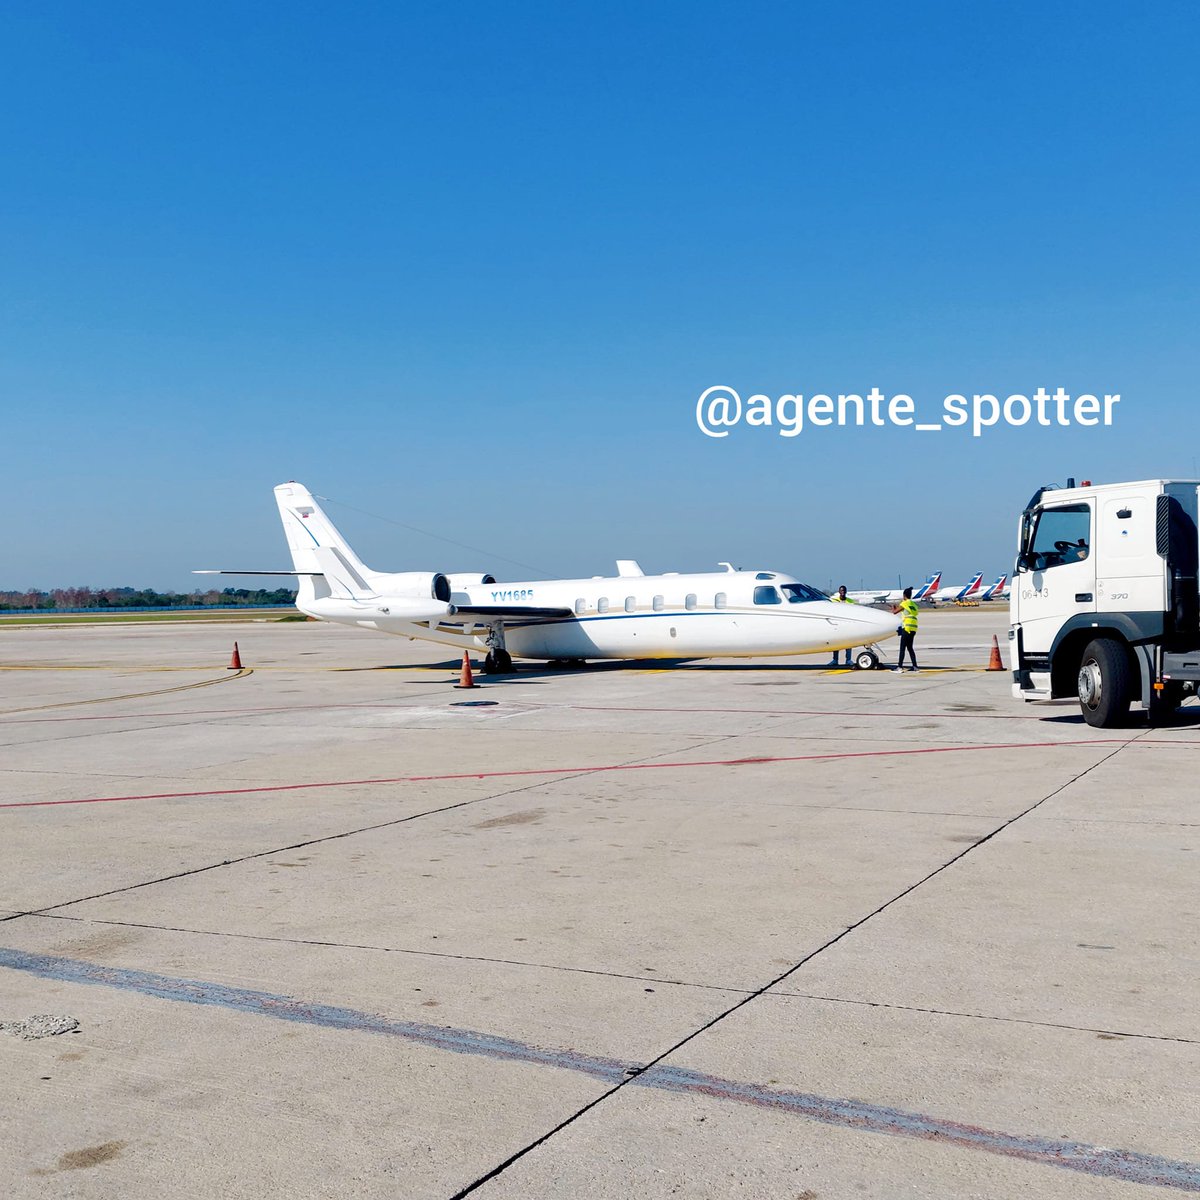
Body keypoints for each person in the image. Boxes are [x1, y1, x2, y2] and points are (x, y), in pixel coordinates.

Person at [892, 586, 920, 672]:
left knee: (902, 648)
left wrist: (893, 607)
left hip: (906, 628)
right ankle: (915, 666)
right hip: (913, 628)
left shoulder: (904, 603)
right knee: (910, 648)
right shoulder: (914, 604)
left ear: (904, 595)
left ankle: (899, 667)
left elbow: (894, 612)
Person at [828, 584, 856, 666]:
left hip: (847, 625)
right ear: (839, 592)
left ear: (846, 592)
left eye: (844, 590)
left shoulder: (850, 601)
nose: (843, 592)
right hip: (837, 625)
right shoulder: (834, 601)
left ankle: (848, 660)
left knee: (848, 643)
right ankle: (835, 660)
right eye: (841, 590)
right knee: (836, 643)